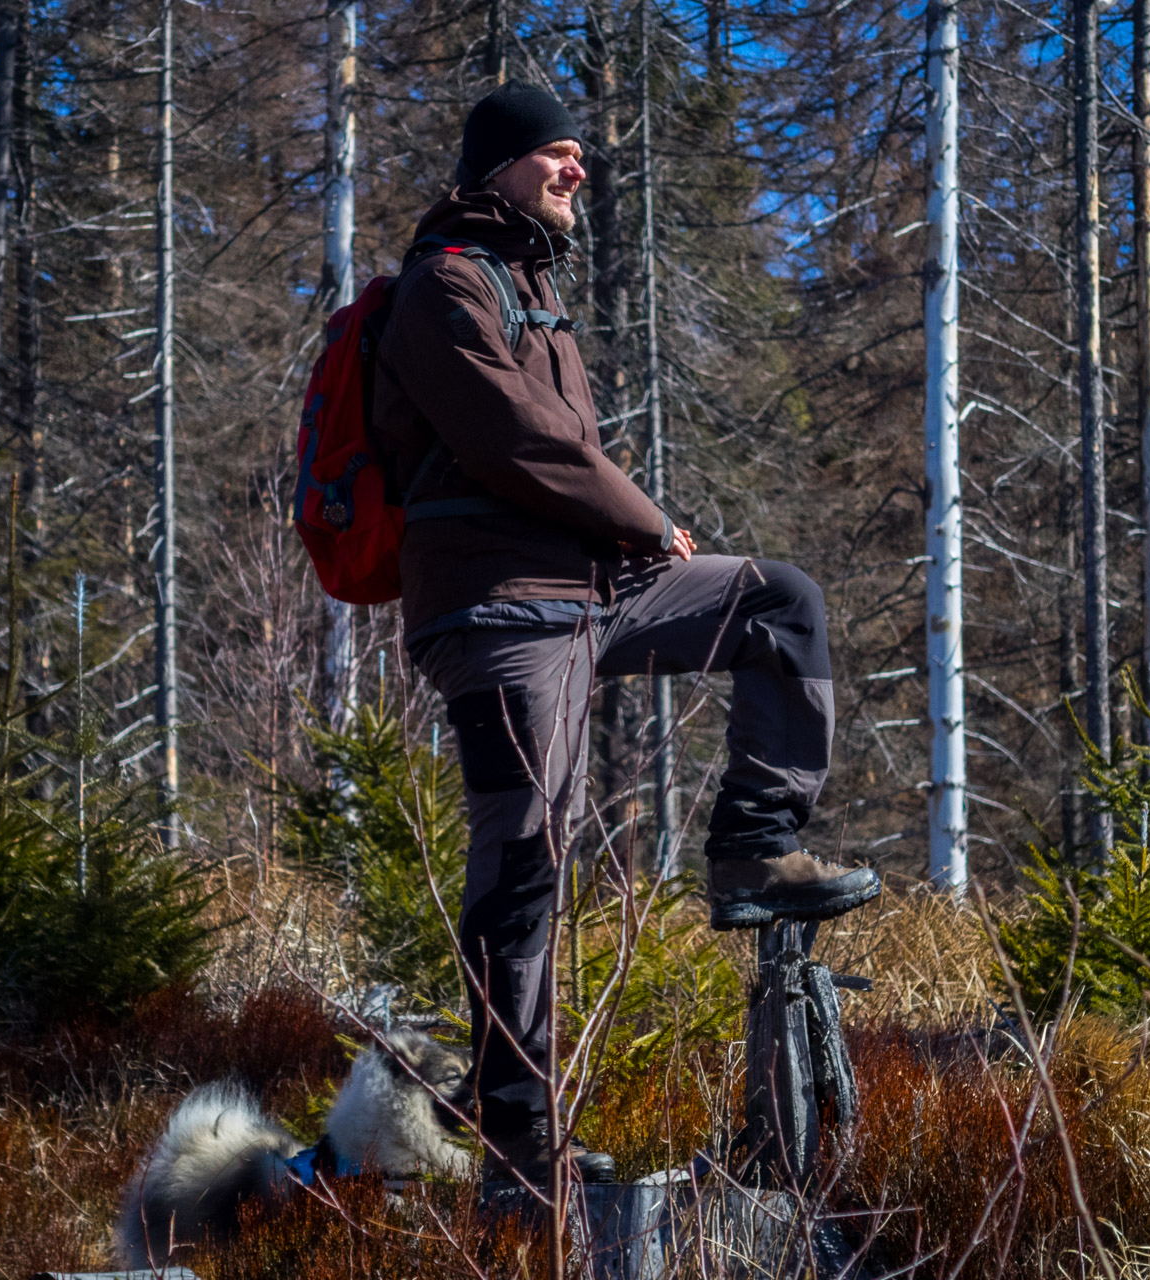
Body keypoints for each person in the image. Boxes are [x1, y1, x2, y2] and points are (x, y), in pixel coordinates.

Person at [373, 81, 879, 1186]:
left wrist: (634, 545)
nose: (577, 172)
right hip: (498, 608)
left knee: (775, 601)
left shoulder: (526, 283)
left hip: (589, 591)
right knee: (523, 861)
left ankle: (754, 845)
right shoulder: (444, 284)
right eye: (556, 154)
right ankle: (517, 1144)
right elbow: (513, 442)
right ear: (496, 166)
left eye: (580, 157)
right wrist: (647, 522)